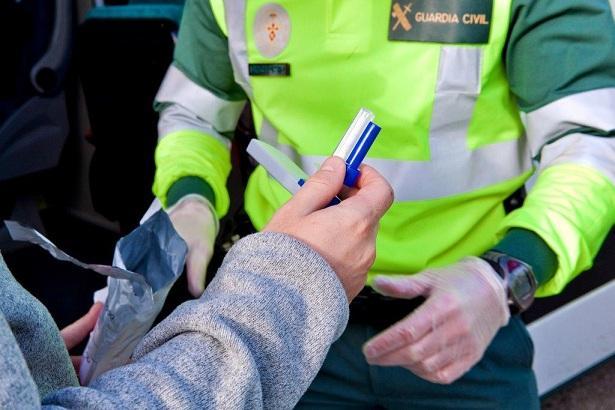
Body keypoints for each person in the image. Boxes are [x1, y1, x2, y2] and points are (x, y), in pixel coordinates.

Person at [152, 0, 615, 408]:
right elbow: (195, 114)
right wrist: (189, 197)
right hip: (284, 313)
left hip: (459, 321)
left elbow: (592, 146)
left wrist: (506, 275)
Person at [0, 157, 393, 408]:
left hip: (442, 327)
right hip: (306, 334)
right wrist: (290, 281)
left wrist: (29, 365)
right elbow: (192, 108)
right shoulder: (222, 19)